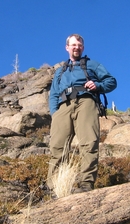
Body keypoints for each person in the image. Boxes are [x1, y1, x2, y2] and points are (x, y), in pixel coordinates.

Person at [47, 33, 117, 193]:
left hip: (86, 102)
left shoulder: (92, 65)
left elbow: (111, 81)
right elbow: (53, 94)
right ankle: (53, 187)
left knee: (89, 143)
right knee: (57, 147)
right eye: (73, 45)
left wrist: (98, 85)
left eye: (79, 45)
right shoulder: (60, 71)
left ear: (83, 48)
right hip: (63, 107)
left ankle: (86, 185)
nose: (76, 47)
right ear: (67, 47)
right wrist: (54, 114)